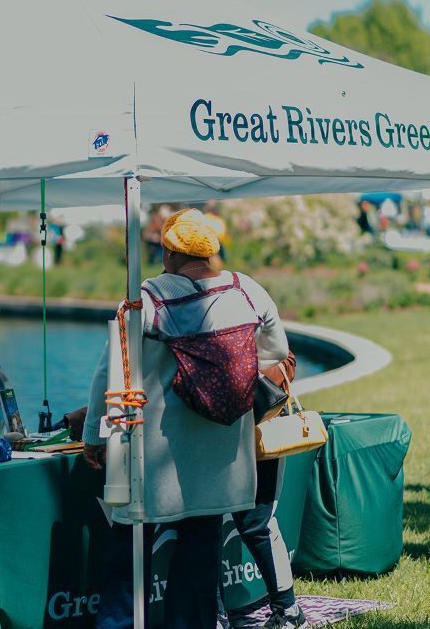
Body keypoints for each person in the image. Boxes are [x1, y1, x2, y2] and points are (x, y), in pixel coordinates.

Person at [83, 208, 289, 629]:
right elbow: (276, 352)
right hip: (220, 452)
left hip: (156, 454)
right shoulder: (244, 290)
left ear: (168, 252)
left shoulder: (147, 298)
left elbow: (112, 371)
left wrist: (93, 433)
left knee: (129, 555)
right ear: (211, 252)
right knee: (199, 556)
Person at [219, 353, 309, 629]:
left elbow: (285, 361)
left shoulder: (258, 307)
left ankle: (288, 611)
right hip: (218, 427)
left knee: (257, 524)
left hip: (255, 425)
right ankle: (215, 614)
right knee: (205, 526)